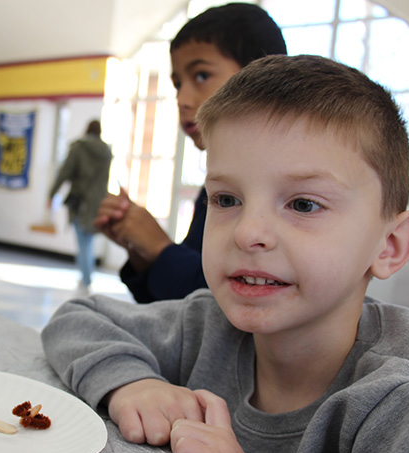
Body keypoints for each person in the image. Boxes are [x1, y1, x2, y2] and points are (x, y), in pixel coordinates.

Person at [42, 55, 409, 453]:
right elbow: (78, 320)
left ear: (388, 246)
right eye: (227, 200)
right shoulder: (209, 326)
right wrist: (131, 384)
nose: (249, 232)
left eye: (303, 204)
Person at [94, 4, 286, 303]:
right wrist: (142, 252)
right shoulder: (219, 181)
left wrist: (161, 249)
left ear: (261, 77)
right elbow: (184, 310)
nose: (182, 99)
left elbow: (239, 302)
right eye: (177, 83)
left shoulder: (285, 182)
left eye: (201, 75)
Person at [49, 119, 112, 290]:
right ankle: (87, 275)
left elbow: (64, 172)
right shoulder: (106, 152)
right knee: (88, 240)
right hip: (98, 202)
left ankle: (85, 278)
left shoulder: (78, 148)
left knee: (82, 241)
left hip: (81, 200)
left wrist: (52, 193)